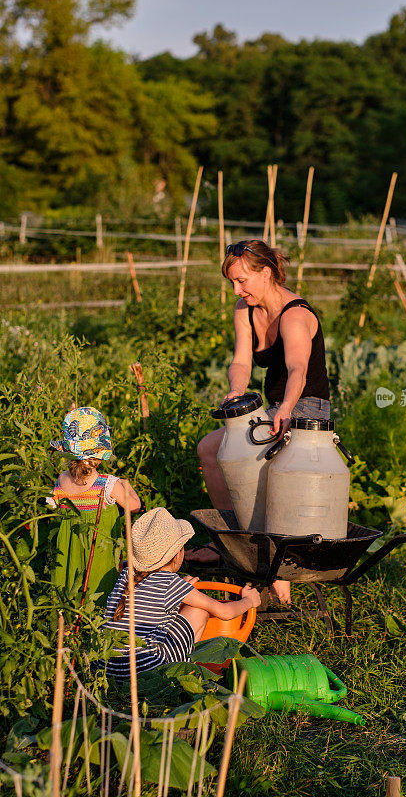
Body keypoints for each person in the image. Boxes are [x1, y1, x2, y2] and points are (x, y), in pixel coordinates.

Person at [194, 240, 331, 602]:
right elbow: (241, 361)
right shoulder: (246, 309)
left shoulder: (296, 315)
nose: (236, 290)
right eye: (232, 283)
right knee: (210, 449)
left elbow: (298, 370)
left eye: (242, 281)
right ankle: (236, 543)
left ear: (266, 272)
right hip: (274, 408)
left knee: (257, 459)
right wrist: (236, 391)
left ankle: (276, 576)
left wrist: (285, 409)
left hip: (307, 409)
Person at [103, 507, 261, 678]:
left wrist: (183, 590)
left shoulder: (127, 574)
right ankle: (185, 673)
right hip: (146, 670)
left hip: (108, 667)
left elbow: (152, 600)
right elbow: (225, 612)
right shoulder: (171, 583)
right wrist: (249, 600)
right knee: (198, 610)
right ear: (178, 554)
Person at [49, 406, 141, 604]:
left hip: (67, 555)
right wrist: (127, 486)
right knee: (98, 596)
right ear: (99, 454)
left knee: (66, 595)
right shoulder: (108, 485)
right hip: (98, 555)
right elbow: (134, 506)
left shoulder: (62, 480)